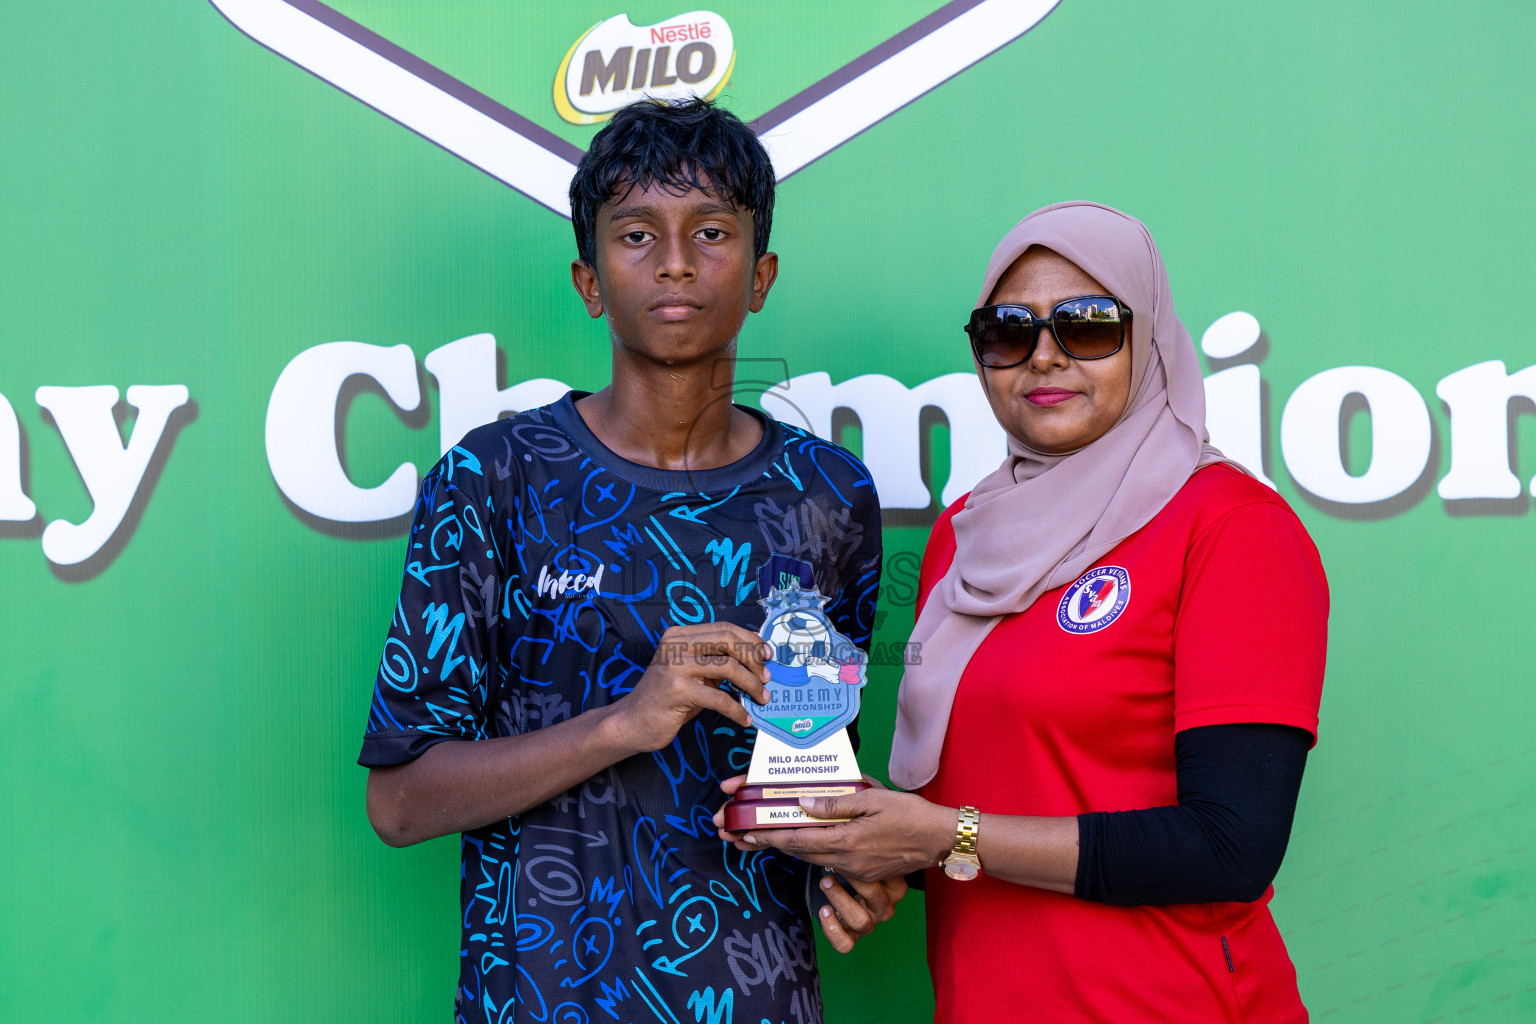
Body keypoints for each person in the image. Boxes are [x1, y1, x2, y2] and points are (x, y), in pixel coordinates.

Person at [359, 98, 901, 1022]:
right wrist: (625, 721)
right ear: (589, 279)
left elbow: (807, 773)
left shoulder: (829, 495)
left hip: (756, 997)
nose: (677, 260)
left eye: (713, 231)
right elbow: (401, 802)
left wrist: (844, 873)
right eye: (638, 233)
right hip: (536, 1000)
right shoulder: (494, 479)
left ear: (762, 275)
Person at [720, 202, 1328, 1022]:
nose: (1045, 357)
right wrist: (865, 842)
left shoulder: (1229, 527)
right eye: (1008, 331)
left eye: (1087, 327)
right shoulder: (968, 535)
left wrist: (943, 837)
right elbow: (992, 795)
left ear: (1147, 337)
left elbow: (1231, 847)